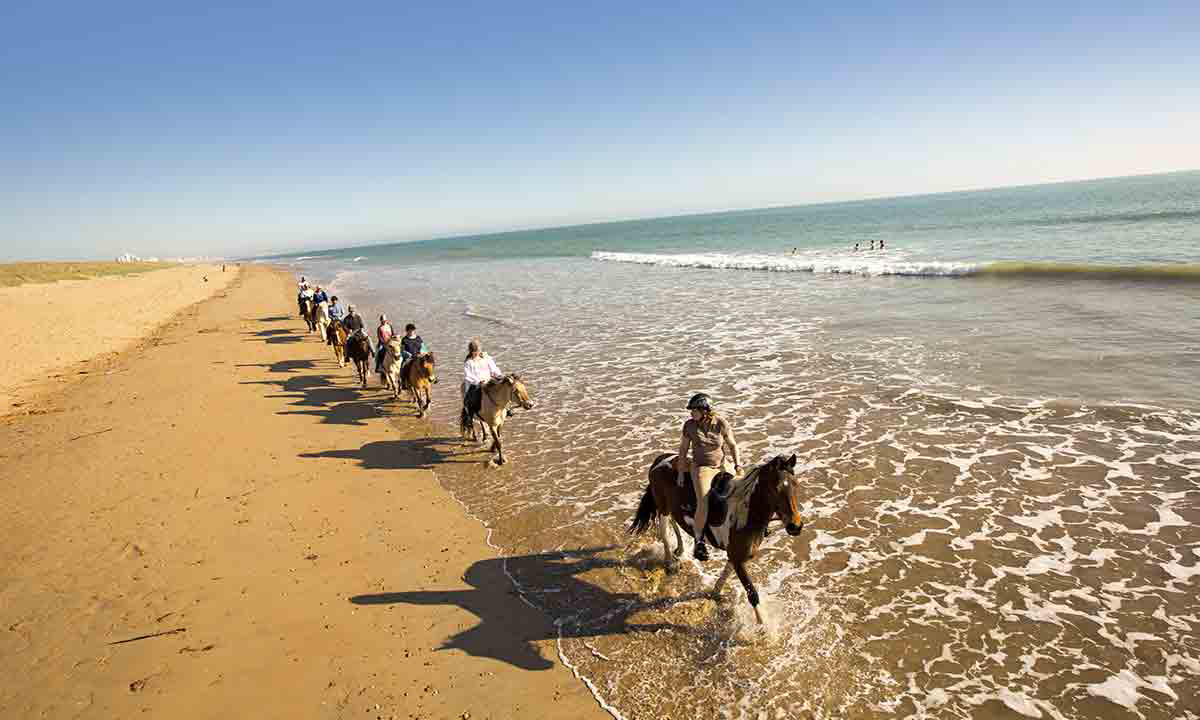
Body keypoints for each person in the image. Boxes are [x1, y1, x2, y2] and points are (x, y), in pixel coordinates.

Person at [676, 393, 742, 562]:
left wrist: (737, 466)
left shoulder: (720, 423)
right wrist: (682, 473)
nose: (691, 413)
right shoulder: (689, 426)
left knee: (742, 489)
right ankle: (699, 541)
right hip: (701, 468)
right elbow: (683, 450)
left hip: (722, 464)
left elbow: (733, 445)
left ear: (704, 410)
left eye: (694, 410)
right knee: (703, 500)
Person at [462, 338, 502, 403]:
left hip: (489, 382)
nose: (478, 352)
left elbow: (494, 369)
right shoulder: (468, 362)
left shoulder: (487, 358)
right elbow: (468, 376)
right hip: (476, 385)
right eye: (475, 351)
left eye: (478, 350)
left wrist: (499, 375)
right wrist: (479, 382)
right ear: (471, 352)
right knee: (474, 401)